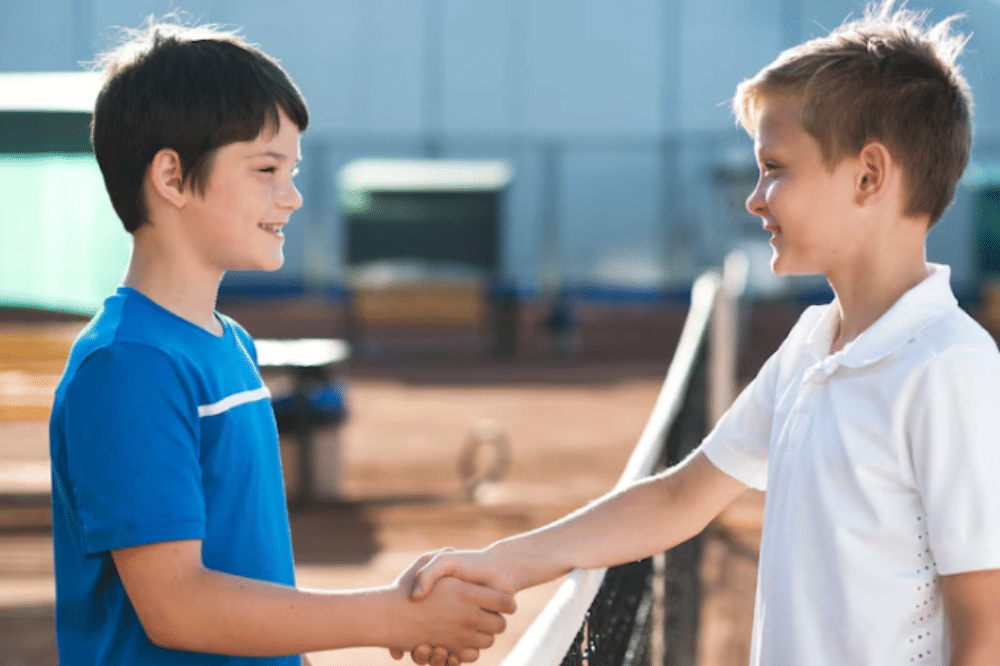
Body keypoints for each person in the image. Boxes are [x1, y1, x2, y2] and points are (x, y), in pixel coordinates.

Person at [405, 2, 1000, 664]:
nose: (754, 197)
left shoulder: (952, 368)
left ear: (868, 176)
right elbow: (682, 496)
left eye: (775, 167)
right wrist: (505, 562)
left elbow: (985, 628)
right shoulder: (810, 345)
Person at [48, 17, 514, 666]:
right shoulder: (126, 367)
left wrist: (400, 616)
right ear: (172, 177)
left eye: (291, 169)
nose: (292, 197)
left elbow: (251, 578)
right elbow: (177, 605)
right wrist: (390, 617)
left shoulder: (230, 344)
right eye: (266, 168)